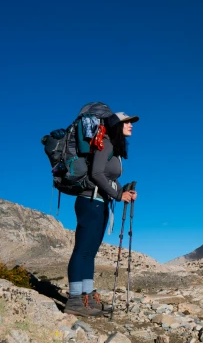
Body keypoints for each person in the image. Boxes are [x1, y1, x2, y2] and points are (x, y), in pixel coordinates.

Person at [64, 111, 139, 317]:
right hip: (90, 202)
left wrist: (124, 191)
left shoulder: (113, 147)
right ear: (116, 124)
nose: (131, 125)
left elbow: (106, 176)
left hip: (99, 202)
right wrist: (118, 194)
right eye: (127, 121)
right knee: (82, 250)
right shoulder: (105, 142)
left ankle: (86, 298)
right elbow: (96, 173)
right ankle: (74, 300)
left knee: (90, 252)